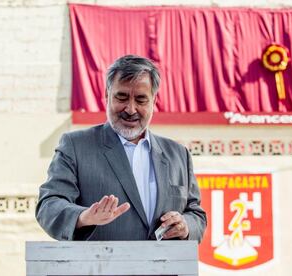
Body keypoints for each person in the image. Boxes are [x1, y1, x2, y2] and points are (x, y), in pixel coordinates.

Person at [36, 55, 207, 241]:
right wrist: (83, 217)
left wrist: (186, 225)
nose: (131, 109)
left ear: (154, 101)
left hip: (163, 269)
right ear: (107, 95)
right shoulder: (76, 146)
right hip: (101, 268)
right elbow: (49, 205)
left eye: (141, 100)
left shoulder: (178, 154)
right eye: (122, 97)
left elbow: (196, 214)